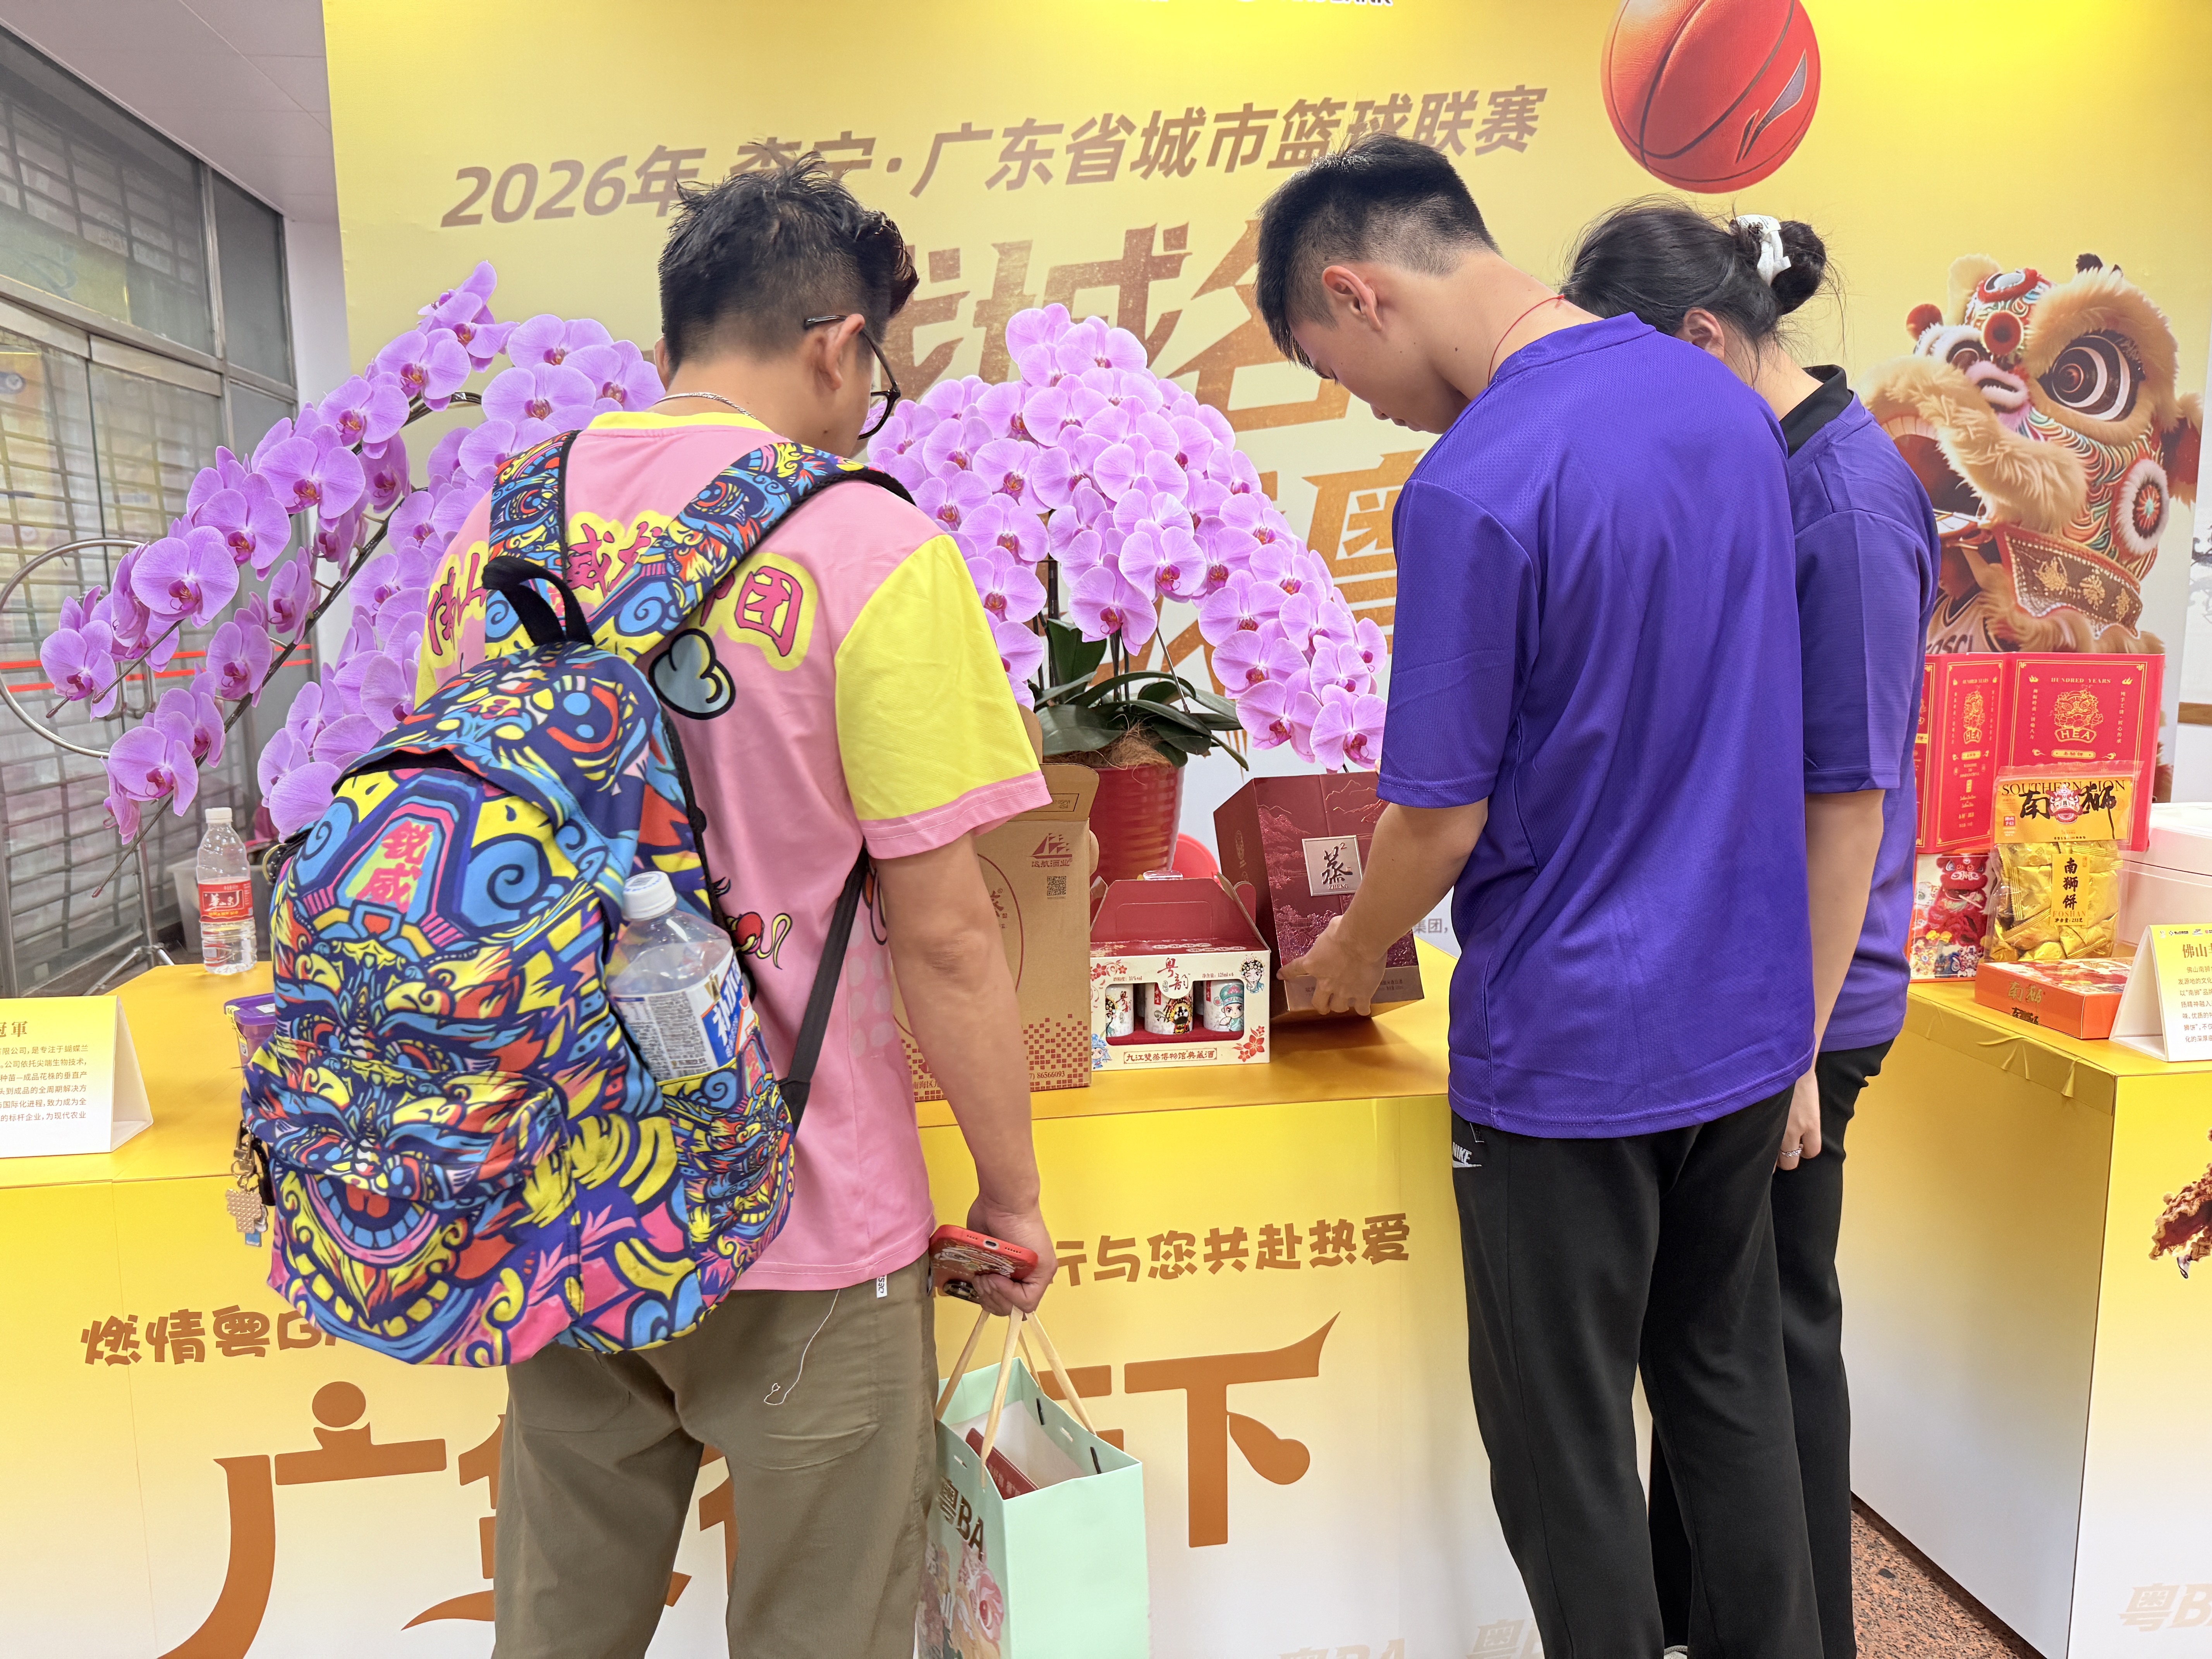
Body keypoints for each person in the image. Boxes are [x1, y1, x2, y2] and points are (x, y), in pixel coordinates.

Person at [423, 158, 1056, 1659]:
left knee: (560, 1629)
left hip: (562, 1190)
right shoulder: (874, 551)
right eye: (873, 374)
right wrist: (1011, 1195)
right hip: (812, 1212)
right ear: (839, 345)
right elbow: (947, 934)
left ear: (671, 348)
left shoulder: (489, 543)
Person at [1260, 134, 1822, 1657]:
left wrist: (1349, 950)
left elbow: (1437, 819)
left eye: (1338, 370)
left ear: (1357, 290)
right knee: (1726, 1392)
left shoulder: (1477, 480)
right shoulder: (1721, 403)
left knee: (1565, 1445)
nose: (1369, 404)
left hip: (1572, 1048)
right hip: (1742, 1022)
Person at [1562, 200, 1940, 1659]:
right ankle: (1698, 1615)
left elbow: (1847, 810)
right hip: (1746, 979)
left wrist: (1790, 1050)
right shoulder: (1763, 470)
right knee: (1713, 1330)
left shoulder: (1846, 505)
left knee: (1772, 1332)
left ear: (1705, 339)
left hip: (1811, 1001)